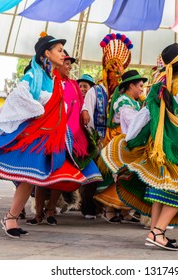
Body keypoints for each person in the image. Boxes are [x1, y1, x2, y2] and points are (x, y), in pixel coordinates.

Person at [101, 43, 178, 251]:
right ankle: (158, 232)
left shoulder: (159, 89)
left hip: (158, 148)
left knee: (161, 186)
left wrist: (129, 139)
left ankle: (154, 230)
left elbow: (143, 117)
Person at [0, 33, 86, 238]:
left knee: (31, 176)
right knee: (27, 175)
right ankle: (12, 217)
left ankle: (14, 216)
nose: (63, 54)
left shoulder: (55, 80)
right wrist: (38, 110)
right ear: (46, 53)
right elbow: (19, 96)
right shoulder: (33, 76)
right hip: (33, 134)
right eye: (59, 50)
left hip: (48, 135)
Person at [26, 50, 102, 226]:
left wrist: (84, 111)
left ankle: (51, 209)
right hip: (49, 134)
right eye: (66, 63)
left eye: (70, 64)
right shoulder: (49, 82)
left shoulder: (73, 85)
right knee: (42, 175)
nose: (68, 67)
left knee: (60, 174)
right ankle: (38, 212)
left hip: (70, 137)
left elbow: (80, 103)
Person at [80, 33, 133, 222]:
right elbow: (87, 110)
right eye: (112, 69)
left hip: (117, 141)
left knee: (120, 175)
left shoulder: (123, 94)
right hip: (98, 139)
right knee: (94, 175)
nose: (115, 74)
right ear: (105, 69)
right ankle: (89, 207)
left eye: (118, 70)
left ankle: (118, 209)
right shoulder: (96, 91)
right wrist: (94, 138)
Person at [94, 69, 146, 224]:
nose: (142, 90)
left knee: (128, 176)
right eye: (140, 86)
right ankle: (109, 209)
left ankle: (124, 210)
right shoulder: (123, 102)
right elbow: (132, 122)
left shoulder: (134, 102)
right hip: (119, 143)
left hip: (128, 142)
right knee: (117, 176)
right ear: (131, 86)